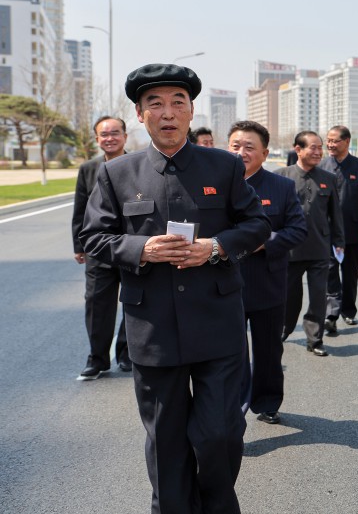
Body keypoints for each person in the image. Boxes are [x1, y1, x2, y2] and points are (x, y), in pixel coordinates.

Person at [81, 63, 271, 513]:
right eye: (155, 104)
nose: (167, 113)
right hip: (153, 331)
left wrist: (217, 247)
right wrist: (141, 248)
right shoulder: (116, 174)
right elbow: (93, 238)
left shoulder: (224, 166)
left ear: (190, 111)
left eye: (177, 103)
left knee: (218, 433)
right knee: (166, 442)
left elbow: (258, 223)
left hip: (217, 324)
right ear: (139, 114)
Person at [227, 120, 307, 425]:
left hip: (267, 282)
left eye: (249, 147)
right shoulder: (215, 187)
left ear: (264, 152)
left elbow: (298, 230)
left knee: (268, 350)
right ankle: (234, 410)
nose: (241, 152)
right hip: (224, 283)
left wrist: (264, 243)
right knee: (230, 353)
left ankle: (268, 401)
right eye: (235, 145)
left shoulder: (282, 187)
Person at [72, 116, 130, 380]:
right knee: (97, 305)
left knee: (134, 303)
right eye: (104, 134)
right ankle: (97, 359)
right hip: (98, 249)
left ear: (125, 136)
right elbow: (80, 210)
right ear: (97, 139)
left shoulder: (138, 165)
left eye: (115, 133)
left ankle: (127, 353)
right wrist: (79, 245)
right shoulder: (87, 169)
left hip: (131, 248)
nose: (110, 138)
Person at [277, 131, 345, 356]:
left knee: (318, 296)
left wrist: (339, 241)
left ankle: (315, 340)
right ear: (298, 149)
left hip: (319, 247)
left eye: (319, 148)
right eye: (312, 148)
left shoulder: (328, 179)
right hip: (290, 250)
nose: (318, 152)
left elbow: (336, 214)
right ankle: (284, 329)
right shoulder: (281, 177)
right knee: (290, 296)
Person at [321, 125, 358, 332]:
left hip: (352, 231)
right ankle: (331, 314)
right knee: (330, 272)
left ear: (347, 142)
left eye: (335, 141)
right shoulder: (322, 166)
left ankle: (348, 311)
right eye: (329, 140)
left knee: (350, 274)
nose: (330, 144)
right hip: (328, 231)